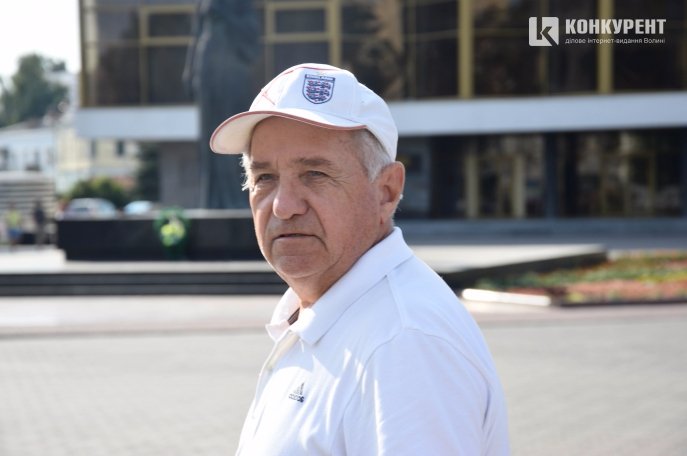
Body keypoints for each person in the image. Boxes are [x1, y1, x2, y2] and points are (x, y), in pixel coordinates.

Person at [210, 63, 510, 455]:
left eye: (315, 174)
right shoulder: (339, 315)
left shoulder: (404, 344)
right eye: (264, 178)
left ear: (386, 191)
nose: (283, 205)